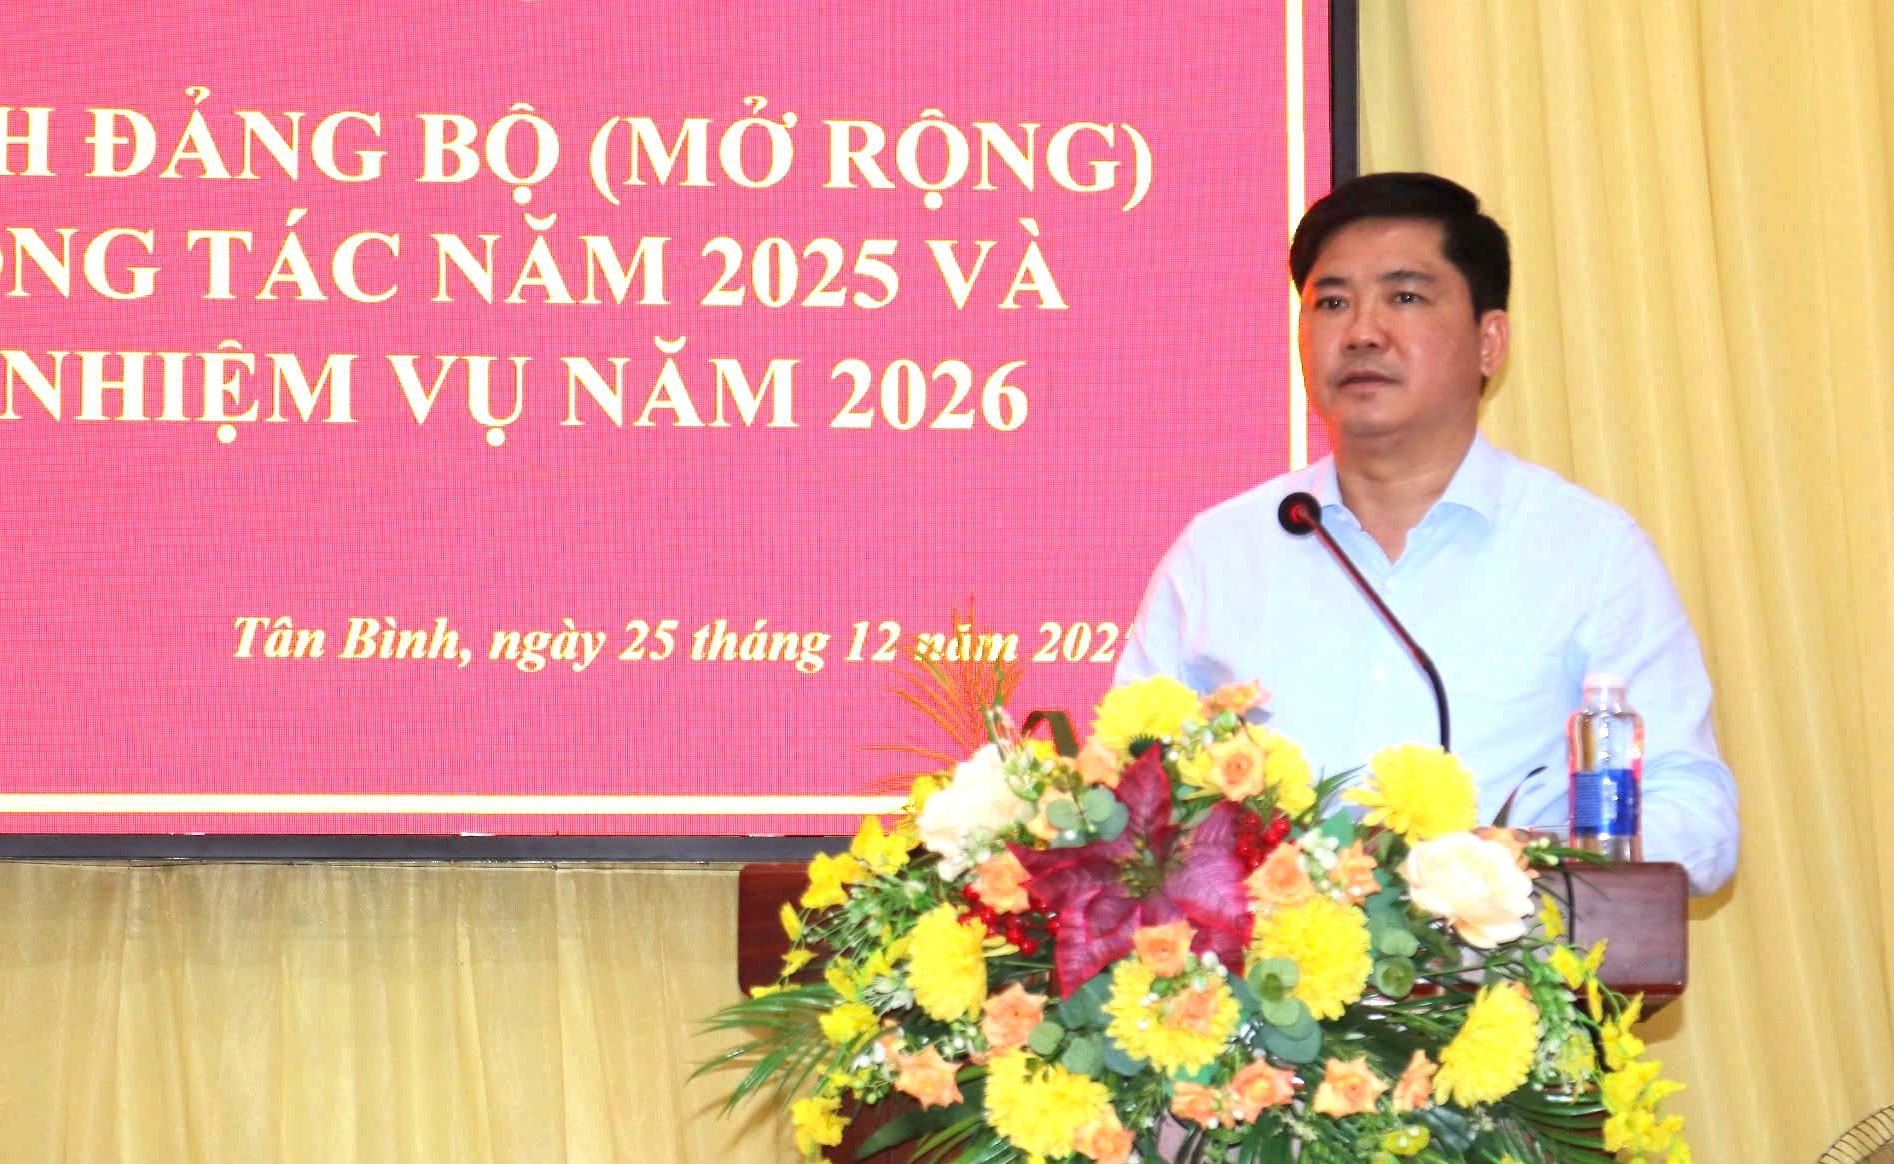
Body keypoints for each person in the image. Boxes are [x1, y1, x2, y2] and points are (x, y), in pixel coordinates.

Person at [1115, 172, 1738, 895]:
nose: (1362, 332)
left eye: (1405, 298)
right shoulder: (1220, 556)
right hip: (1268, 965)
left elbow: (1695, 814)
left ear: (1489, 342)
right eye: (1332, 303)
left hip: (1508, 962)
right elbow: (1124, 800)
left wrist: (1531, 862)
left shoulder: (1589, 554)